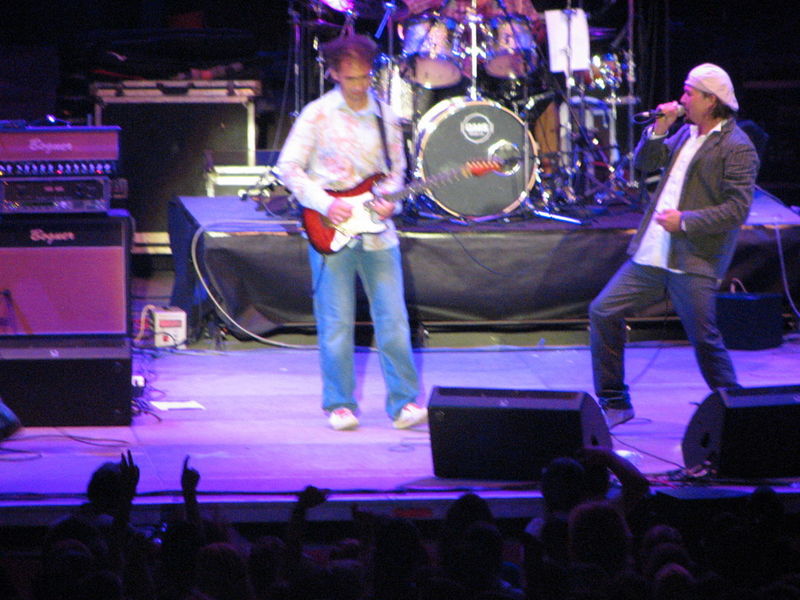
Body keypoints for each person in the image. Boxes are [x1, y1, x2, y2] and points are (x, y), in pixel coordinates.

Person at [589, 63, 759, 428]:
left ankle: (738, 414)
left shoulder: (737, 146)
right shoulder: (685, 133)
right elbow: (644, 164)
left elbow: (737, 209)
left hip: (693, 257)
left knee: (705, 341)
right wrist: (658, 130)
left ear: (711, 100)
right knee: (603, 311)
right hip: (653, 252)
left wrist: (685, 220)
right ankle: (615, 401)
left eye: (688, 93)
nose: (682, 99)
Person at [277, 34, 426, 431]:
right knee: (336, 323)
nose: (359, 85)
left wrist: (392, 202)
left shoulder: (386, 116)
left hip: (379, 234)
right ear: (334, 74)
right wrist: (325, 203)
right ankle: (339, 404)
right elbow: (288, 167)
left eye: (365, 77)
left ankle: (404, 404)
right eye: (351, 78)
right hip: (330, 228)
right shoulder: (317, 114)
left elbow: (396, 172)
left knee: (393, 320)